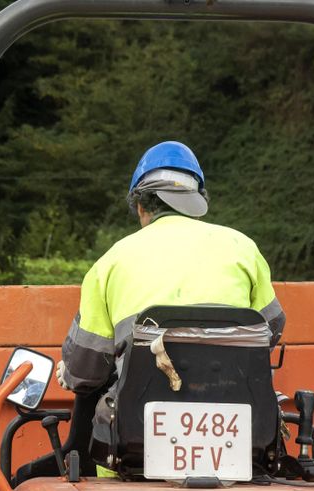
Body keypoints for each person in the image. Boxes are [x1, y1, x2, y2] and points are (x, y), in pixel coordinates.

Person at [57, 140, 286, 394]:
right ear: (196, 206)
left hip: (138, 420)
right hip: (238, 404)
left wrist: (69, 372)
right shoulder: (242, 246)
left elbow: (85, 370)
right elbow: (272, 326)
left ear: (141, 207)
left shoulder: (109, 263)